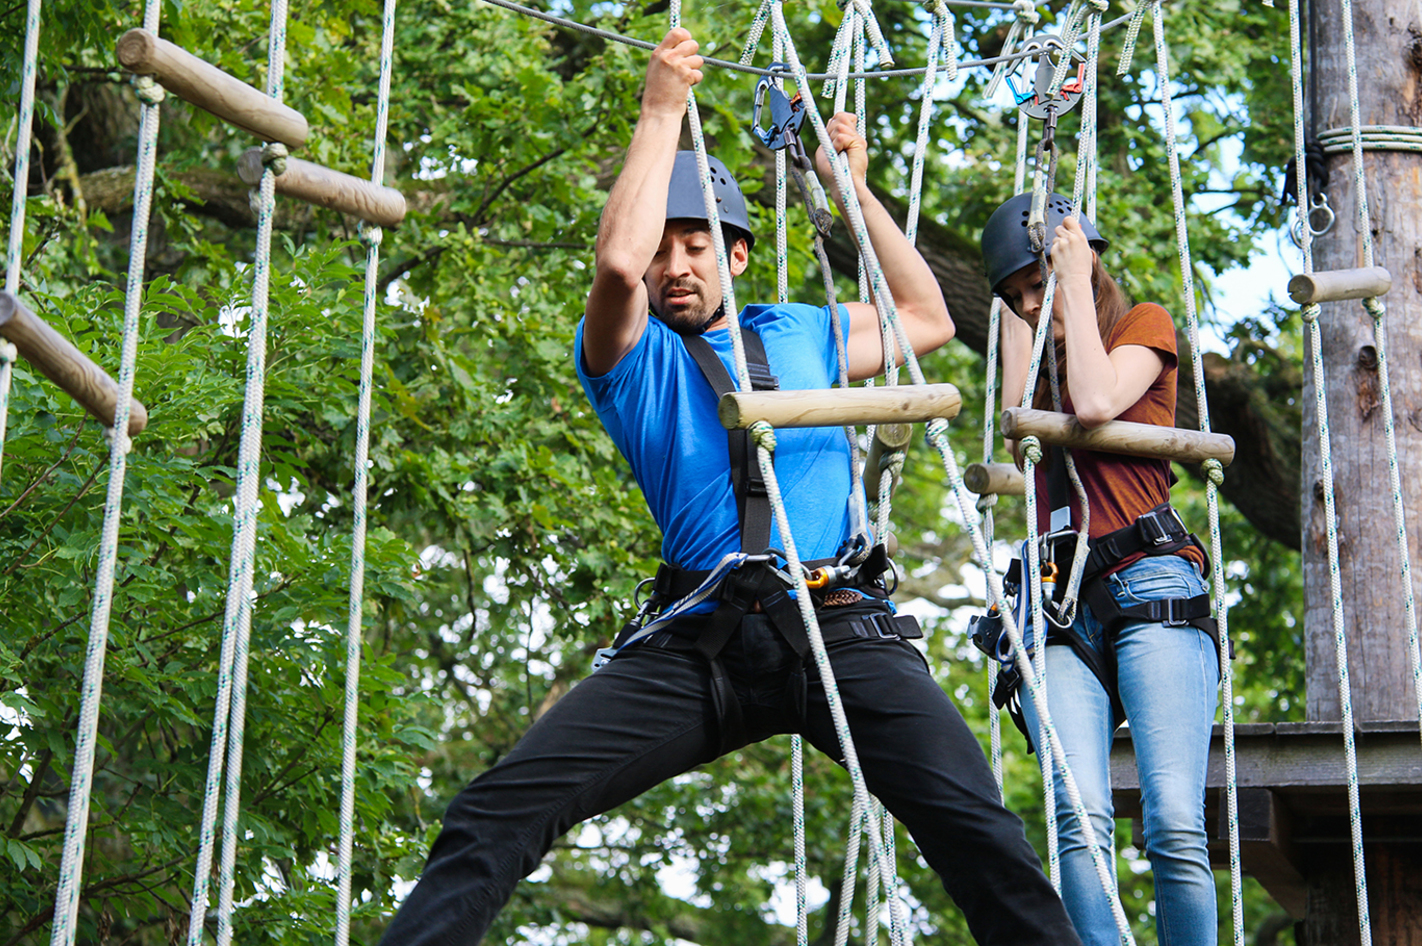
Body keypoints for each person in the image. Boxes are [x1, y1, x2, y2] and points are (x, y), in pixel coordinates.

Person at [378, 30, 1083, 946]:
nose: (676, 265)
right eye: (666, 246)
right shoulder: (628, 357)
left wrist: (851, 192)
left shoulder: (802, 330)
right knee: (494, 813)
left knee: (983, 838)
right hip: (699, 642)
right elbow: (619, 267)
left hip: (840, 624)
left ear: (736, 256)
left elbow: (926, 318)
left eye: (698, 244)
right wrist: (661, 111)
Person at [986, 191, 1221, 946]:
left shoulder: (1141, 327)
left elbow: (1093, 403)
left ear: (1086, 264)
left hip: (1149, 579)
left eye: (1039, 284)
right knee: (1074, 816)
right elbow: (1015, 420)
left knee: (1174, 823)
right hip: (1060, 603)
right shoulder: (1043, 359)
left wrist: (1072, 282)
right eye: (1020, 294)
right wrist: (1017, 310)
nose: (1033, 304)